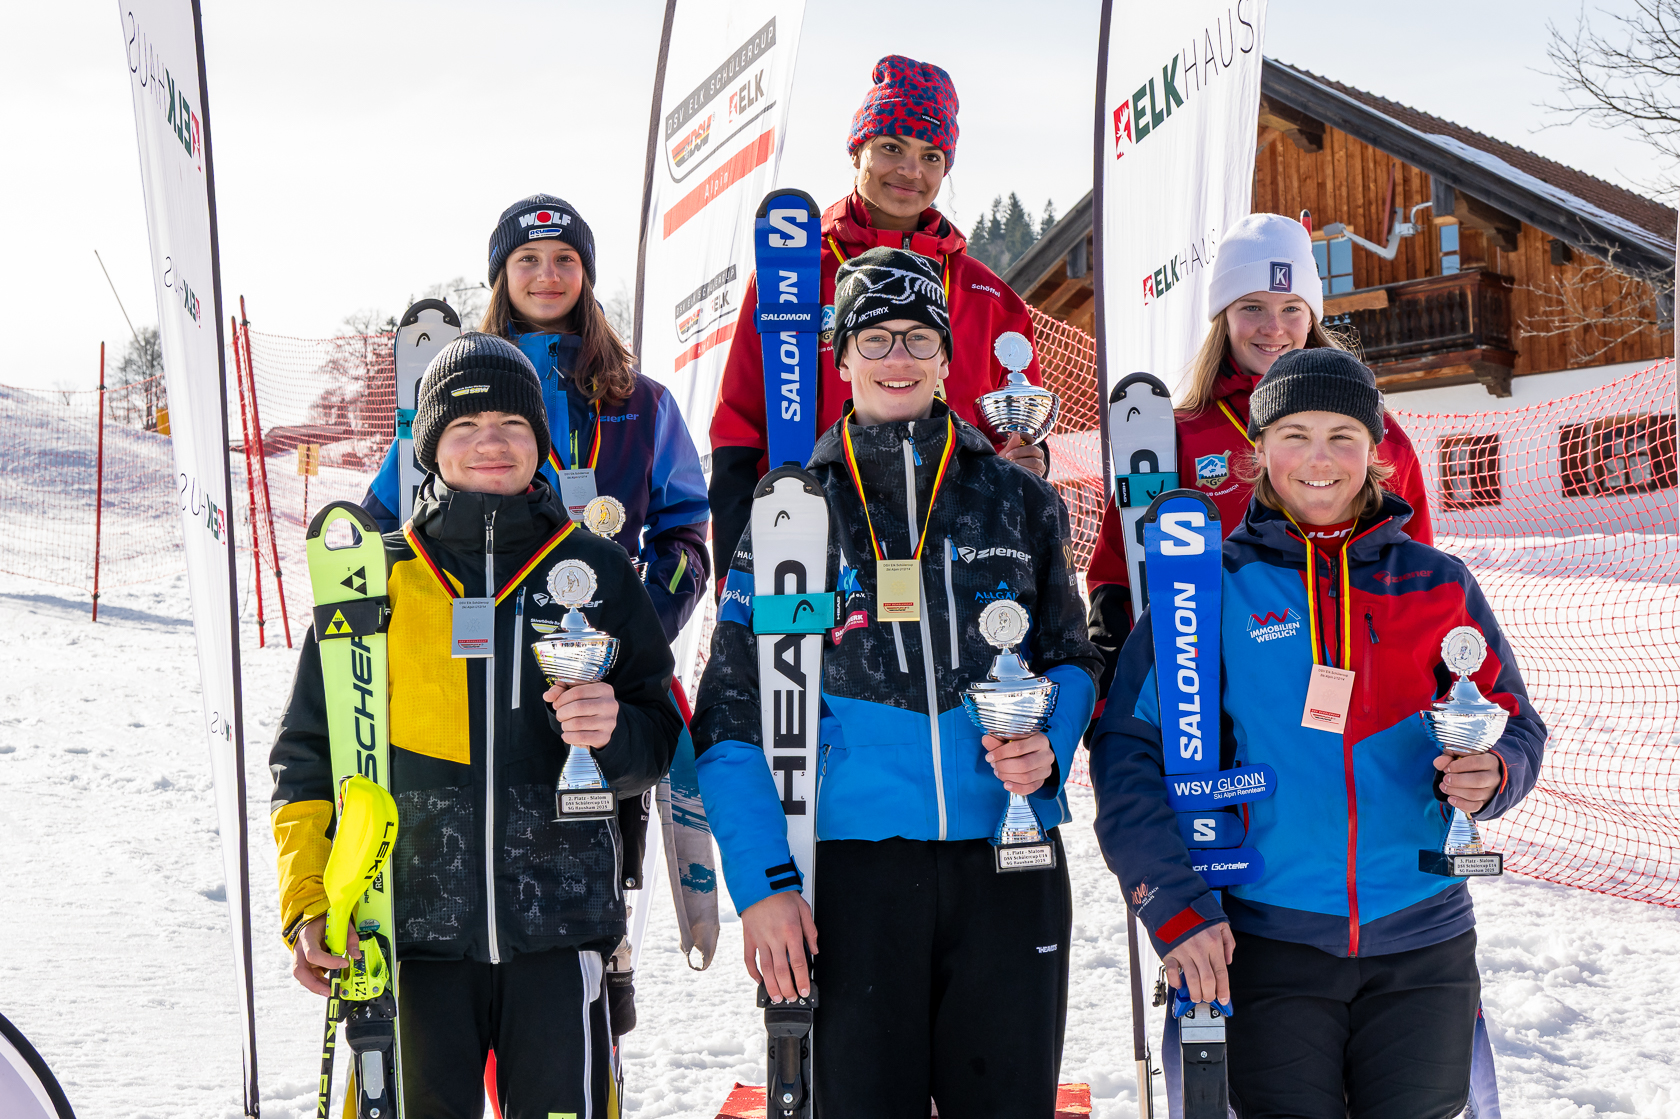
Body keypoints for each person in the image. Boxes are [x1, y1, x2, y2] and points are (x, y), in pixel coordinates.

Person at [692, 248, 1102, 1116]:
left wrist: (1047, 743)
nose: (898, 356)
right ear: (840, 359)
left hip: (1008, 859)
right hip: (851, 878)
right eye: (874, 337)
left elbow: (1073, 656)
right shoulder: (791, 509)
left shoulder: (1016, 500)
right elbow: (728, 718)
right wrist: (764, 885)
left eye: (919, 335)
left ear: (950, 357)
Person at [1088, 347, 1546, 1119]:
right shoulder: (1208, 587)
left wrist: (1496, 769)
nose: (1320, 459)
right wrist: (1172, 905)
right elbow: (1125, 754)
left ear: (1376, 450)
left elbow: (1517, 723)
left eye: (1342, 435)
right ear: (1257, 450)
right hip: (1264, 944)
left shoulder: (1436, 583)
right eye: (1295, 433)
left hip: (1422, 941)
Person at [272, 333, 681, 1119]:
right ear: (429, 447)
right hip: (407, 945)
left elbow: (658, 738)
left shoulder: (593, 571)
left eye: (512, 425)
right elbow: (307, 758)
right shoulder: (378, 578)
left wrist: (614, 730)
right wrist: (309, 903)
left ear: (542, 442)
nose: (489, 443)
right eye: (464, 426)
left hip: (560, 942)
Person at [708, 54, 1051, 583]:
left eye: (931, 155)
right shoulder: (794, 271)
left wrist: (1030, 462)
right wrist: (738, 576)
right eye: (892, 147)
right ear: (858, 149)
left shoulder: (990, 298)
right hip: (817, 549)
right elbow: (740, 428)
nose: (911, 171)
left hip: (958, 558)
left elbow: (1017, 436)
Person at [1084, 212, 1435, 709]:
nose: (1274, 328)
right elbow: (1122, 577)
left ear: (1312, 315)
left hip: (1353, 695)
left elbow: (1415, 569)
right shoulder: (1177, 437)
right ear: (1223, 315)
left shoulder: (1372, 432)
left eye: (1292, 308)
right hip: (1214, 707)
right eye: (1252, 306)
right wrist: (1114, 713)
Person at [362, 193, 711, 646]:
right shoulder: (455, 390)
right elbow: (388, 514)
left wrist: (645, 622)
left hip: (601, 650)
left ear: (585, 274)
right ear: (502, 276)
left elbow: (683, 528)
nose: (548, 275)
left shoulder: (642, 400)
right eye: (528, 258)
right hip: (473, 643)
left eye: (565, 258)